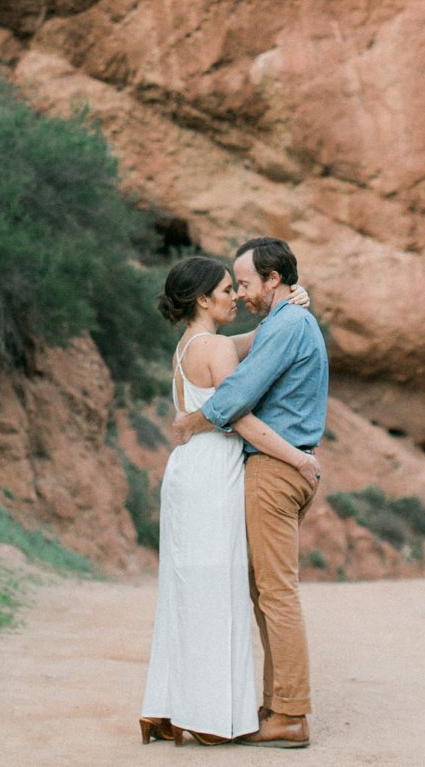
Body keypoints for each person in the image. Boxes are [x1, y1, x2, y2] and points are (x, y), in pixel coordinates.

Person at [140, 254, 320, 748]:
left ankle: (175, 705)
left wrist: (291, 305)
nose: (235, 297)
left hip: (185, 473)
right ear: (202, 299)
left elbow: (257, 342)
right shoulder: (215, 349)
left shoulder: (190, 345)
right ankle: (213, 715)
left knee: (184, 590)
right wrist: (298, 458)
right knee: (217, 595)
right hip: (212, 476)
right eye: (226, 290)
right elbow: (238, 417)